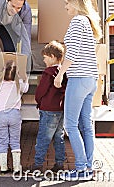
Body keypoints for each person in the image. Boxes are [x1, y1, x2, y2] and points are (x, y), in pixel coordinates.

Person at [54, 0, 102, 181]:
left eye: (67, 3)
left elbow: (72, 54)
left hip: (79, 79)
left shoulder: (76, 22)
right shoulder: (88, 23)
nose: (65, 6)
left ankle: (81, 168)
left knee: (70, 125)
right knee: (86, 126)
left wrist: (60, 74)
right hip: (91, 80)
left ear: (75, 2)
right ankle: (88, 168)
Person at [29, 40, 67, 174]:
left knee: (43, 138)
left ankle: (38, 164)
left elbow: (41, 91)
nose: (44, 61)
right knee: (59, 137)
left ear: (52, 56)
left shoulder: (48, 72)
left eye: (45, 58)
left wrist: (38, 100)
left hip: (48, 109)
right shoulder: (63, 72)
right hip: (60, 109)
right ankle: (59, 164)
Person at [0, 60, 29, 175]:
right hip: (15, 115)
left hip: (1, 115)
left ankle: (3, 168)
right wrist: (24, 77)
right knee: (15, 141)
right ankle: (16, 168)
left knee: (3, 141)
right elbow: (26, 88)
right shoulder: (18, 83)